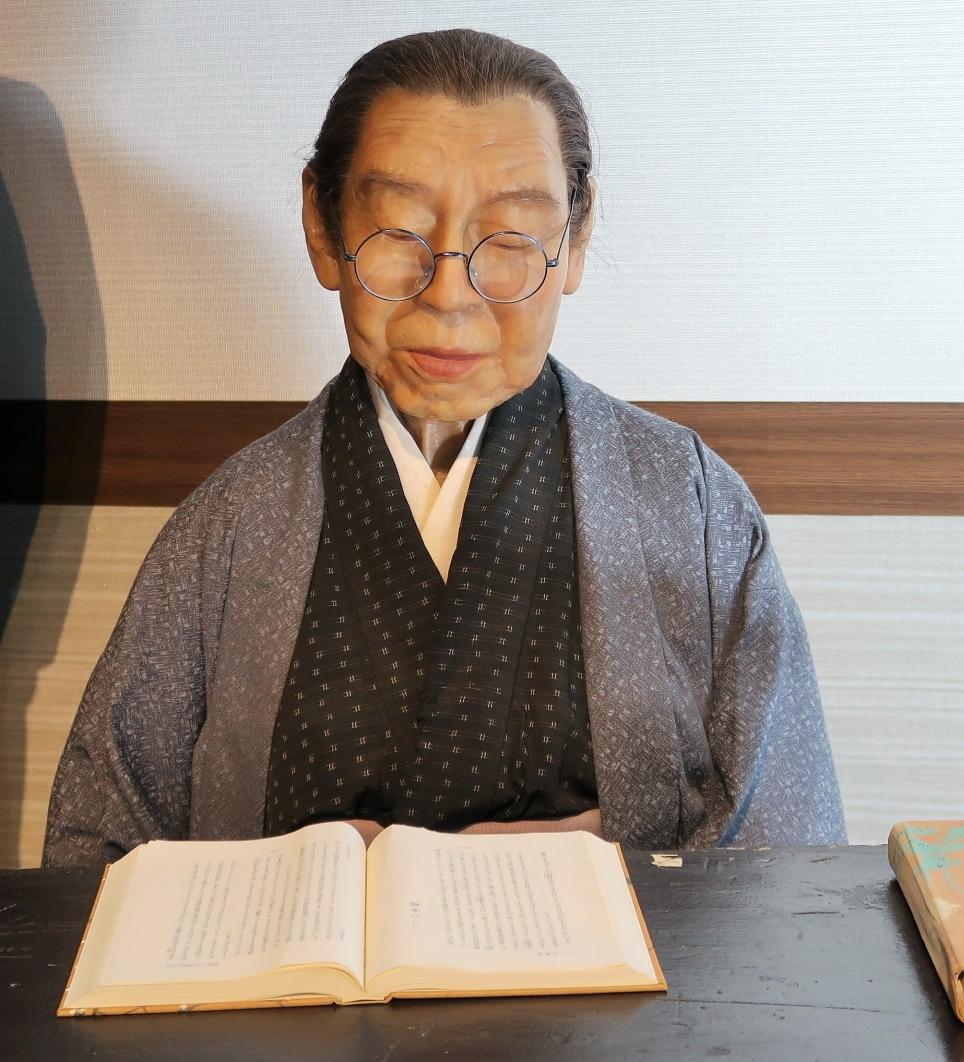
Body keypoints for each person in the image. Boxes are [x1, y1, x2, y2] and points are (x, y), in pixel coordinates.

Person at [42, 29, 845, 866]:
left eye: (512, 238)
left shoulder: (691, 507)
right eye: (398, 231)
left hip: (619, 960)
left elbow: (787, 864)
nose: (450, 295)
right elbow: (92, 853)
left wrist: (590, 866)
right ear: (322, 225)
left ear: (574, 241)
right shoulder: (227, 530)